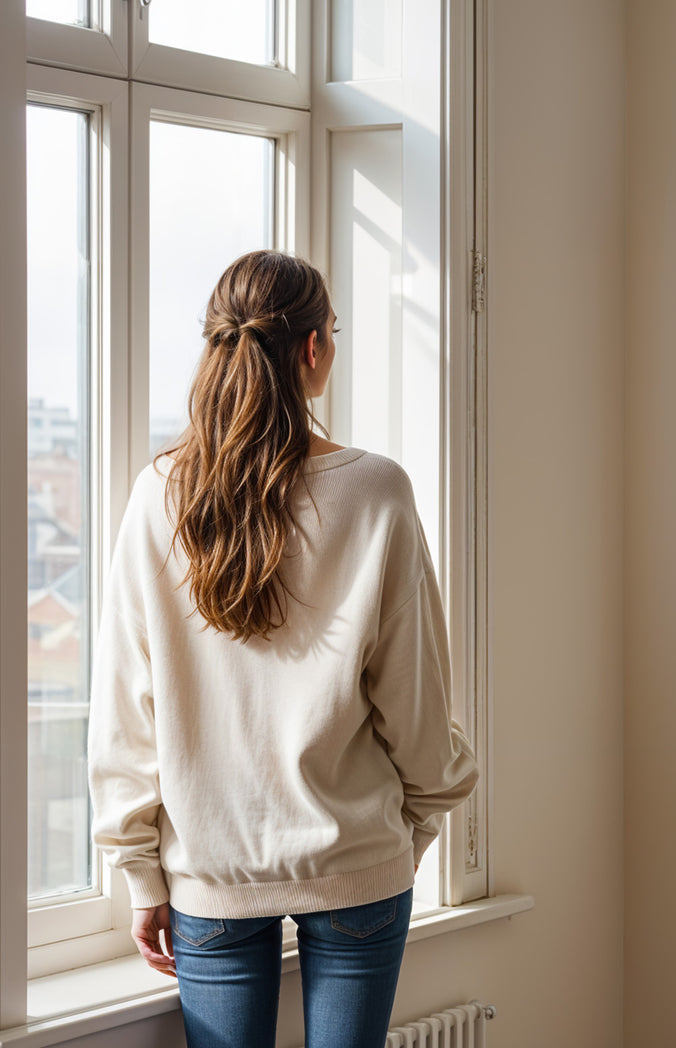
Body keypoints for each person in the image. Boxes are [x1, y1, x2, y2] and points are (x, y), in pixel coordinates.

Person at [87, 250, 479, 1048]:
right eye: (332, 332)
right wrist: (423, 821)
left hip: (209, 872)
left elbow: (126, 701)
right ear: (311, 350)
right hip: (359, 859)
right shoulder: (375, 491)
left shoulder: (159, 493)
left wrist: (140, 873)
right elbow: (415, 692)